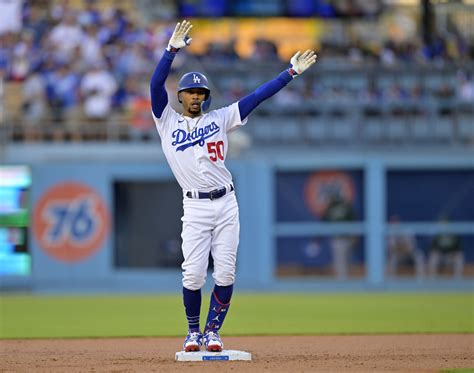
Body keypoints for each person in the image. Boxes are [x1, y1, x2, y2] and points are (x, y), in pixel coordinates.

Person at [149, 20, 317, 352]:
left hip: (226, 204)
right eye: (189, 92)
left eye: (199, 92)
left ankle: (213, 331)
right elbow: (155, 86)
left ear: (206, 97)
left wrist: (290, 73)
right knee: (193, 275)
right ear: (180, 97)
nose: (194, 96)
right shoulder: (166, 120)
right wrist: (170, 51)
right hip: (195, 206)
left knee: (225, 273)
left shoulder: (221, 118)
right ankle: (193, 332)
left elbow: (257, 96)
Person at [322, 193, 357, 280]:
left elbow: (324, 221)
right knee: (347, 260)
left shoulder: (331, 208)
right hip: (348, 237)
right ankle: (345, 279)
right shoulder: (346, 207)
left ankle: (342, 280)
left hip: (338, 238)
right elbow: (353, 221)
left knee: (340, 261)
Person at [386, 214, 425, 279]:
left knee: (419, 256)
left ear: (399, 222)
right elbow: (391, 249)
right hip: (399, 254)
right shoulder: (391, 233)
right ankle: (391, 281)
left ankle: (421, 280)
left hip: (410, 253)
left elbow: (410, 247)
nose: (394, 224)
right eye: (392, 223)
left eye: (395, 222)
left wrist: (400, 248)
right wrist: (400, 248)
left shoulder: (406, 230)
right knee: (392, 259)